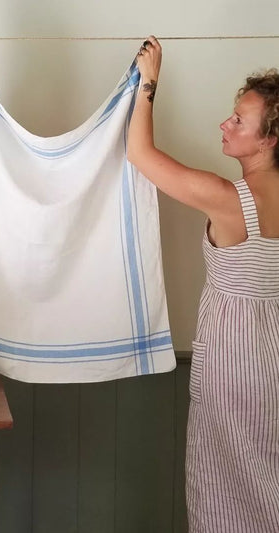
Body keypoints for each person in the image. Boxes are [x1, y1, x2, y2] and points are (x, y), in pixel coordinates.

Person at [127, 36, 279, 532]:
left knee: (224, 490)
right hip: (272, 361)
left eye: (239, 120)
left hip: (234, 367)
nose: (225, 124)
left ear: (270, 139)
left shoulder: (229, 199)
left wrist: (148, 83)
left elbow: (139, 154)